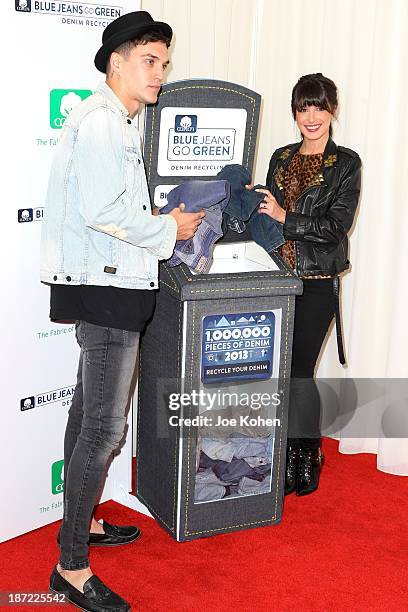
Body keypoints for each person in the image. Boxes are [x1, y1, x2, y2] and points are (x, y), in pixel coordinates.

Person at [40, 11, 204, 612]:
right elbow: (105, 210)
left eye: (164, 62)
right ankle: (71, 567)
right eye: (149, 61)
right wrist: (171, 227)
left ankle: (75, 530)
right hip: (108, 288)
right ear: (117, 61)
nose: (160, 73)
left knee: (88, 418)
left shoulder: (113, 120)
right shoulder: (105, 123)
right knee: (104, 429)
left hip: (105, 282)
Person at [256, 73, 361, 497]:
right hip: (276, 281)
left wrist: (286, 218)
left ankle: (306, 452)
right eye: (303, 108)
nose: (311, 116)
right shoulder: (281, 157)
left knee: (299, 371)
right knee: (278, 373)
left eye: (319, 106)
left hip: (317, 282)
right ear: (295, 113)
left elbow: (336, 227)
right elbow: (266, 217)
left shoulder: (346, 164)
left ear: (333, 109)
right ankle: (283, 453)